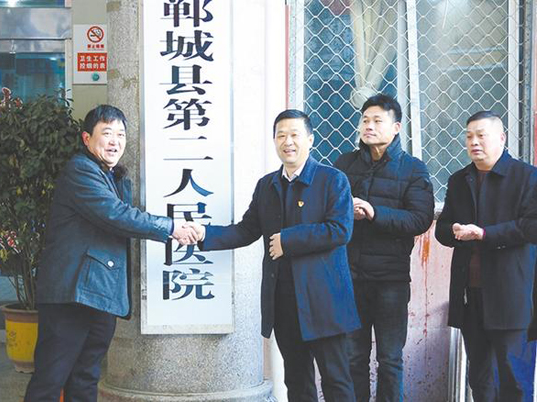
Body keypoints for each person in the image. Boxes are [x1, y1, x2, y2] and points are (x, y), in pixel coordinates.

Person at [24, 105, 197, 402]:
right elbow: (116, 215)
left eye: (121, 134)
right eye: (107, 133)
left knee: (85, 377)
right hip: (71, 295)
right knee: (50, 380)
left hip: (98, 294)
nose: (115, 141)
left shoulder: (113, 177)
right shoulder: (80, 170)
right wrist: (171, 227)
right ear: (87, 138)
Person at [185, 109, 359, 401]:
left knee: (336, 380)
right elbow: (246, 230)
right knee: (297, 381)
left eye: (294, 135)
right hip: (284, 300)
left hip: (324, 300)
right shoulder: (267, 185)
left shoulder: (333, 180)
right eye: (281, 135)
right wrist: (205, 234)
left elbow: (340, 230)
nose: (287, 142)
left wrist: (287, 240)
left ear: (310, 139)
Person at [333, 93, 434, 402]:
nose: (369, 126)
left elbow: (420, 219)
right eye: (365, 120)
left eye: (378, 120)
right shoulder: (344, 164)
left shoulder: (413, 169)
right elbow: (327, 210)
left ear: (396, 127)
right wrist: (347, 211)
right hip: (350, 277)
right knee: (353, 356)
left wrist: (375, 213)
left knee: (389, 359)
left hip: (391, 280)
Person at [435, 111, 537, 402]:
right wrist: (453, 231)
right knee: (480, 380)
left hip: (513, 295)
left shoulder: (527, 177)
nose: (474, 142)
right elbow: (442, 229)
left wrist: (484, 234)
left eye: (481, 135)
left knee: (514, 380)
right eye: (469, 136)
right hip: (471, 294)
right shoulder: (460, 179)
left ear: (502, 138)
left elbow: (531, 227)